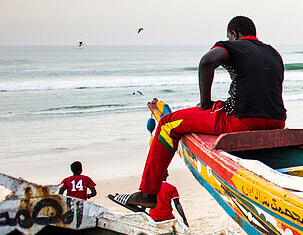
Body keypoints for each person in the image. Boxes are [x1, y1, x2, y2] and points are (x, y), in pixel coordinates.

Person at [113, 16, 286, 210]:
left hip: (242, 120)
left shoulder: (233, 46)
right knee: (220, 105)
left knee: (167, 123)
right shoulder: (273, 52)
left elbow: (206, 62)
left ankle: (148, 193)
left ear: (234, 34)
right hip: (277, 121)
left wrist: (204, 103)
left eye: (229, 36)